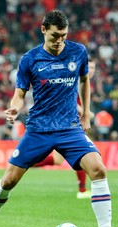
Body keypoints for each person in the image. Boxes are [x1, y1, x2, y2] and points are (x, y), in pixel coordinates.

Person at [0, 10, 118, 227]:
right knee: (8, 180)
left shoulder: (78, 51)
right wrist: (14, 110)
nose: (60, 40)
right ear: (43, 30)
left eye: (64, 35)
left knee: (98, 169)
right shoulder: (29, 59)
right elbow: (19, 95)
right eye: (55, 35)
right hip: (39, 129)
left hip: (69, 127)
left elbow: (85, 80)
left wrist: (86, 112)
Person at [34, 58, 97, 199]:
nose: (91, 70)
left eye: (93, 68)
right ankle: (82, 191)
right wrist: (86, 112)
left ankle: (23, 162)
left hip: (67, 121)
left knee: (57, 160)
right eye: (89, 67)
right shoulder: (75, 80)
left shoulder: (84, 81)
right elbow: (67, 99)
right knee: (83, 153)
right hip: (67, 121)